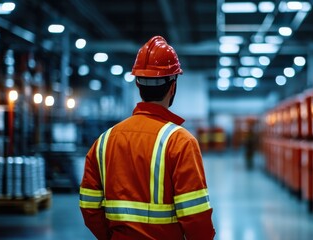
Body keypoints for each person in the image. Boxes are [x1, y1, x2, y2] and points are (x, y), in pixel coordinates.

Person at [79, 36, 215, 240]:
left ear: (138, 84)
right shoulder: (180, 142)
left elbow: (89, 206)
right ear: (172, 87)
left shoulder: (104, 141)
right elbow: (196, 216)